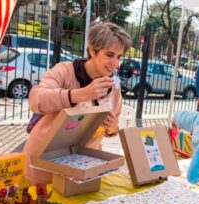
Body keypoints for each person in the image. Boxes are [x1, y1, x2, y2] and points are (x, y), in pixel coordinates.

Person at [23, 22, 132, 185]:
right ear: (92, 50)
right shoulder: (65, 71)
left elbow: (112, 128)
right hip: (43, 164)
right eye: (109, 55)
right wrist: (81, 94)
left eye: (119, 57)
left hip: (83, 170)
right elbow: (36, 99)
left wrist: (112, 127)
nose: (115, 63)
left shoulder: (113, 88)